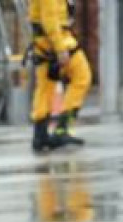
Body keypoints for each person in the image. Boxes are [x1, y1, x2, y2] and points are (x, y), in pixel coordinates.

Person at [28, 0, 93, 152]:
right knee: (82, 76)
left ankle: (40, 134)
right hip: (56, 41)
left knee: (46, 87)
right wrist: (60, 48)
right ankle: (62, 128)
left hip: (45, 42)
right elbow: (49, 18)